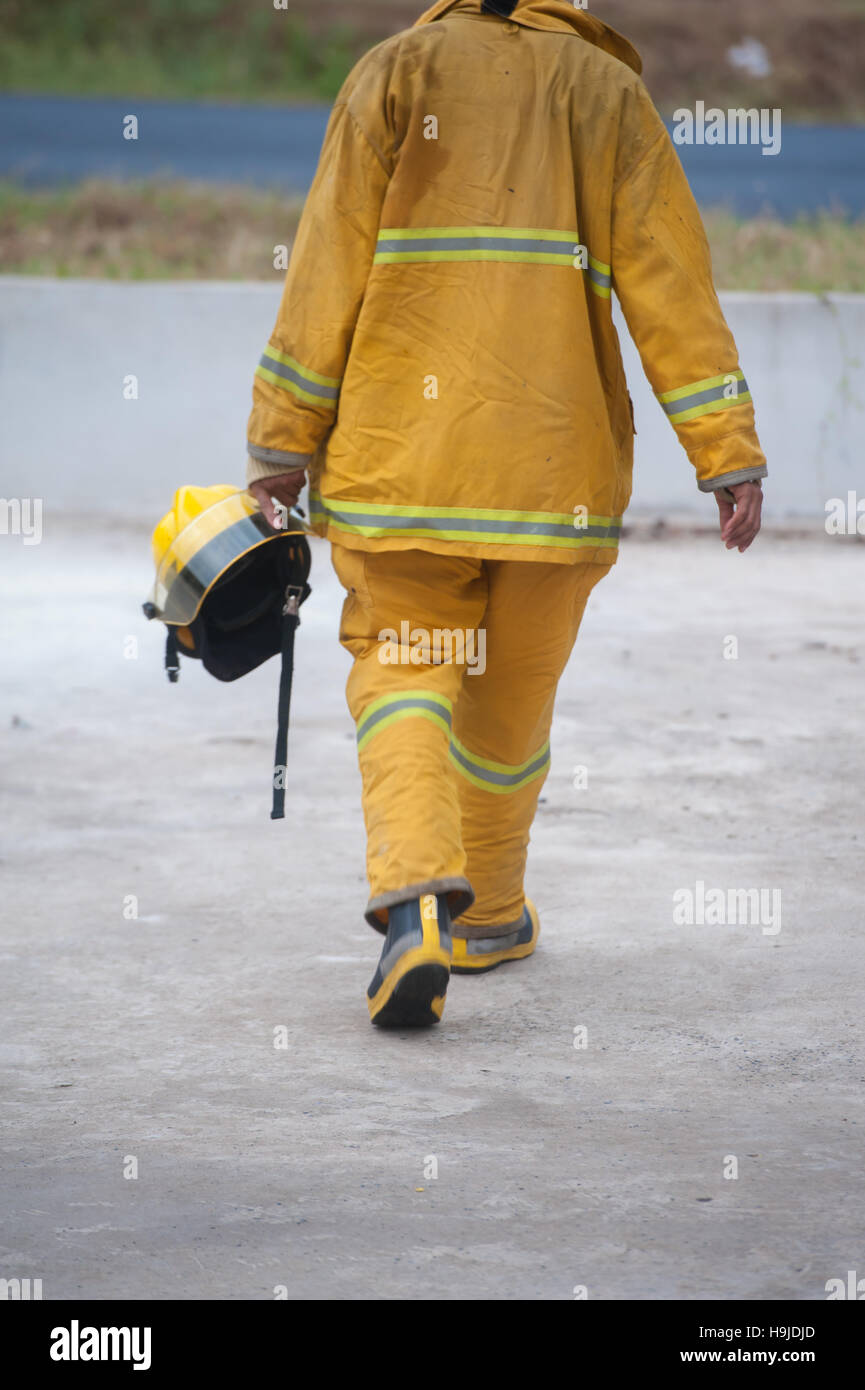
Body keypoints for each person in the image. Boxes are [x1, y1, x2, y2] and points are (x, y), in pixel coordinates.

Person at [245, 0, 767, 1028]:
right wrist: (725, 449)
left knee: (402, 673)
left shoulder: (393, 73)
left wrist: (279, 442)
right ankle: (486, 916)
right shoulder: (606, 90)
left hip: (403, 472)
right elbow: (669, 279)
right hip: (549, 481)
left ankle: (411, 905)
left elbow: (324, 269)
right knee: (507, 712)